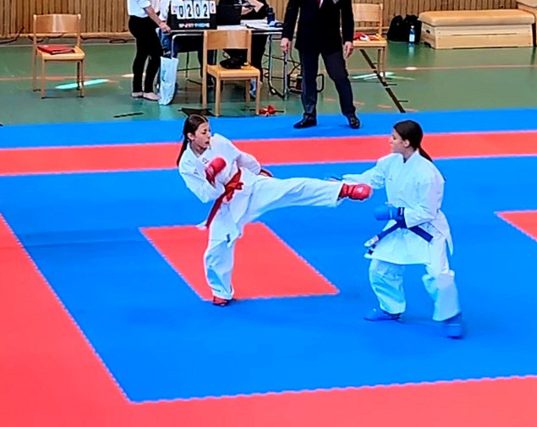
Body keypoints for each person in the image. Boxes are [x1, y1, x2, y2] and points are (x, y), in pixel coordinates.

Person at [177, 114, 372, 306]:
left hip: (249, 184)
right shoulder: (187, 164)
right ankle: (221, 292)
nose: (209, 135)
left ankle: (343, 190)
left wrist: (258, 170)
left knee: (292, 188)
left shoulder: (219, 142)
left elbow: (241, 158)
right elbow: (205, 196)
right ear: (191, 136)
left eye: (209, 130)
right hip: (228, 203)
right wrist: (211, 179)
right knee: (217, 248)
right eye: (204, 132)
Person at [340, 120, 464, 338]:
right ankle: (391, 308)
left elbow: (428, 211)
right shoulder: (390, 162)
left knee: (439, 275)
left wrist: (396, 212)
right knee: (380, 269)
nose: (389, 140)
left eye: (394, 137)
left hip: (427, 230)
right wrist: (343, 184)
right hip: (399, 227)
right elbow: (370, 179)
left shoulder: (428, 174)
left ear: (406, 142)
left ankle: (451, 316)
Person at [281, 0, 360, 130]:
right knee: (308, 78)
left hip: (331, 40)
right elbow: (292, 11)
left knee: (340, 76)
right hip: (307, 38)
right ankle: (309, 115)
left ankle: (350, 113)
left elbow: (347, 14)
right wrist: (286, 36)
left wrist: (348, 39)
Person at [127, 0, 170, 101]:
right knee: (156, 55)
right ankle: (147, 90)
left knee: (142, 54)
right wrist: (160, 23)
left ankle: (137, 89)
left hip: (149, 21)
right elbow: (147, 8)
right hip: (141, 22)